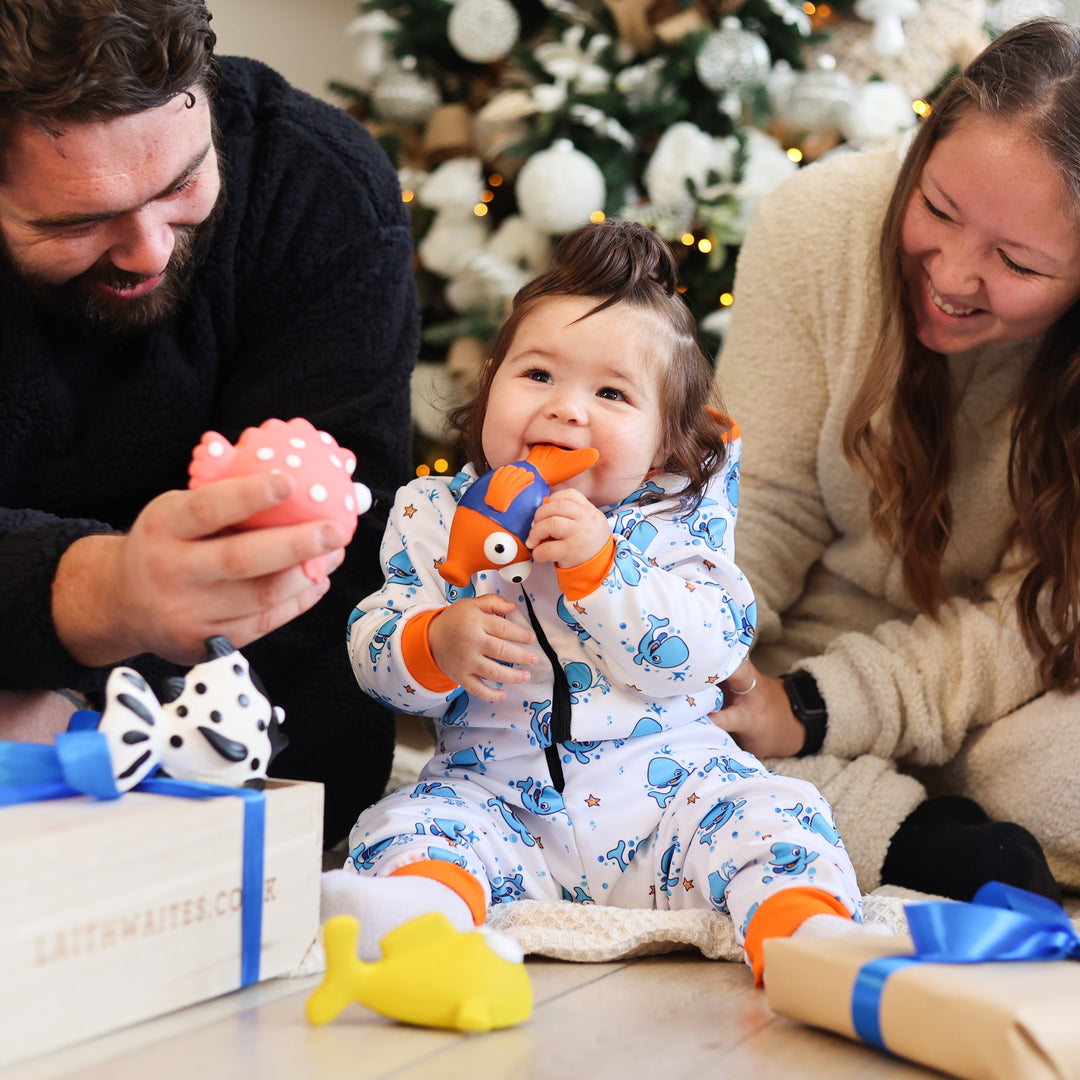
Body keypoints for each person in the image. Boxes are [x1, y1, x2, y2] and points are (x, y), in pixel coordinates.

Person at [323, 220, 869, 985]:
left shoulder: (676, 523)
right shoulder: (433, 514)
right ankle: (422, 944)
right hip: (498, 802)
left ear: (667, 439)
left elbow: (712, 642)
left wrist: (603, 572)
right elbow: (372, 648)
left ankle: (807, 945)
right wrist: (434, 642)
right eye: (538, 376)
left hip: (672, 800)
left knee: (776, 817)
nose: (567, 411)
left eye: (612, 393)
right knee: (406, 828)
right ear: (489, 386)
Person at [0, 0, 419, 844]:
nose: (150, 250)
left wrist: (85, 699)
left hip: (254, 701)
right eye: (77, 222)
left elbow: (346, 575)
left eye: (182, 183)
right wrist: (95, 593)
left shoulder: (316, 184)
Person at [710, 18, 1080, 903]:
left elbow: (1031, 624)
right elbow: (759, 500)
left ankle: (848, 816)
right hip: (795, 653)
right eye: (939, 210)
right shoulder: (815, 223)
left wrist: (814, 712)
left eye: (1017, 261)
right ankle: (912, 833)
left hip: (1008, 681)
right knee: (645, 723)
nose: (952, 276)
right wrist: (697, 647)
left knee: (1049, 787)